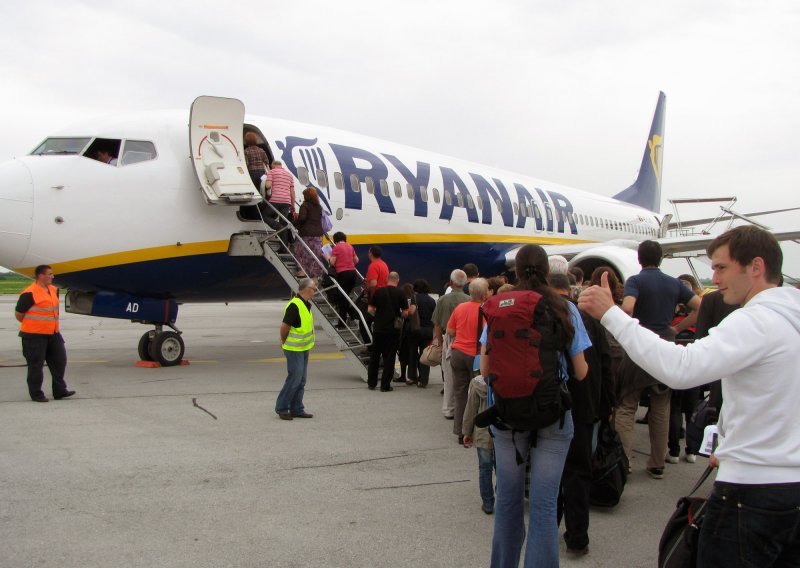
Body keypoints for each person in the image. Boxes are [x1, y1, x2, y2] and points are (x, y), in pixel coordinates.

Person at [579, 225, 800, 567]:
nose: (714, 276)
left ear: (755, 267)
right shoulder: (790, 318)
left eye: (722, 267)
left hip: (752, 494)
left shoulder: (756, 321)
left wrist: (611, 315)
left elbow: (682, 368)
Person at [482, 244, 590, 568]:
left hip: (506, 415)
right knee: (543, 506)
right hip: (552, 416)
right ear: (548, 272)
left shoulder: (500, 306)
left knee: (508, 501)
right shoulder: (564, 308)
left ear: (515, 272)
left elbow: (485, 371)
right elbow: (582, 371)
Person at [615, 240, 701, 479]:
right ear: (661, 259)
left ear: (639, 259)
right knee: (661, 406)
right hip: (665, 345)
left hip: (639, 347)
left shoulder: (635, 281)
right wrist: (676, 329)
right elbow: (699, 306)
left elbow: (629, 307)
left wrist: (626, 325)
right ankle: (656, 463)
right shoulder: (674, 284)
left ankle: (625, 460)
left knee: (626, 406)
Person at [550, 273, 614, 556]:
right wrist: (605, 406)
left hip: (553, 406)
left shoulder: (545, 316)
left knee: (549, 473)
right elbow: (605, 363)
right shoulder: (589, 319)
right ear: (569, 289)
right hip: (585, 404)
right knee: (578, 473)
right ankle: (578, 538)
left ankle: (547, 530)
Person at [15, 265, 75, 402]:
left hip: (53, 333)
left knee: (60, 361)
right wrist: (35, 325)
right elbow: (19, 314)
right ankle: (36, 394)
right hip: (34, 336)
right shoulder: (29, 293)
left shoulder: (53, 290)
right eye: (50, 274)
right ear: (41, 276)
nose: (53, 276)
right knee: (36, 365)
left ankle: (59, 390)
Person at [447, 278, 489, 444]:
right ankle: (473, 430)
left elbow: (450, 330)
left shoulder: (460, 308)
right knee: (477, 395)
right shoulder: (485, 310)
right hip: (476, 356)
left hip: (458, 353)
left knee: (460, 394)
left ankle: (459, 431)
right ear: (485, 294)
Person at [667, 273, 703, 464]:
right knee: (691, 409)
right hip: (694, 359)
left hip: (675, 358)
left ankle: (673, 450)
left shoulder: (671, 309)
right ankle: (692, 450)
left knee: (675, 406)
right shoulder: (699, 311)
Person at [275, 278, 317, 420]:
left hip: (304, 348)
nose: (315, 292)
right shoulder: (295, 305)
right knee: (295, 379)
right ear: (306, 289)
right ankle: (282, 407)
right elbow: (284, 326)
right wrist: (283, 339)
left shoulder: (306, 305)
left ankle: (297, 408)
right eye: (314, 289)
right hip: (294, 349)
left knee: (302, 380)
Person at [431, 269, 469, 419]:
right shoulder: (469, 300)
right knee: (465, 376)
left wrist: (440, 343)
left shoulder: (442, 300)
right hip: (466, 339)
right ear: (464, 283)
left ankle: (448, 409)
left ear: (451, 282)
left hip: (449, 338)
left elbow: (437, 325)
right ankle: (464, 408)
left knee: (449, 376)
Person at [367, 272, 408, 391]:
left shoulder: (378, 292)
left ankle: (371, 383)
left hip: (379, 329)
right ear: (398, 280)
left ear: (386, 279)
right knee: (389, 357)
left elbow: (370, 309)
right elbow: (405, 312)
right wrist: (399, 316)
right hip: (393, 330)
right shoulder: (401, 293)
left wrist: (379, 316)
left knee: (375, 356)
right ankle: (385, 385)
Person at [462, 373, 495, 515]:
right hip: (502, 433)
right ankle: (505, 499)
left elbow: (470, 410)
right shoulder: (504, 380)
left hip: (483, 433)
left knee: (485, 468)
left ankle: (488, 503)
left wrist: (467, 432)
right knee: (503, 469)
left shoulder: (477, 384)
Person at [406, 279, 436, 387]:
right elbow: (434, 318)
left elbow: (412, 311)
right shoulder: (432, 300)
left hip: (415, 330)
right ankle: (423, 380)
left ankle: (412, 377)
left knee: (413, 354)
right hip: (427, 330)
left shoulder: (415, 298)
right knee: (425, 355)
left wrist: (406, 313)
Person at [292, 186, 325, 278]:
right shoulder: (319, 207)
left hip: (307, 233)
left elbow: (302, 218)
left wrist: (293, 223)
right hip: (318, 234)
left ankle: (302, 271)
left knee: (299, 251)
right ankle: (315, 276)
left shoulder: (305, 205)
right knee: (315, 255)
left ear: (307, 196)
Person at [328, 231, 359, 328]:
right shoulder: (350, 246)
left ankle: (342, 323)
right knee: (346, 297)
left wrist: (327, 257)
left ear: (336, 240)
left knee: (342, 299)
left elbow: (332, 263)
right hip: (353, 273)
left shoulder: (336, 247)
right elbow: (356, 260)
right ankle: (349, 314)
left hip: (343, 274)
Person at [263, 160, 296, 248]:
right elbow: (292, 191)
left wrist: (265, 181)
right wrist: (293, 204)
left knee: (265, 216)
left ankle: (277, 226)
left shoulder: (272, 172)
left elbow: (268, 186)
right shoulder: (289, 175)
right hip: (286, 202)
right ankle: (284, 247)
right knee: (284, 223)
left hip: (275, 200)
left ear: (273, 165)